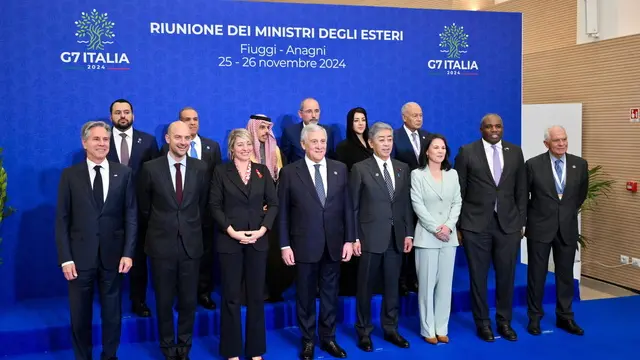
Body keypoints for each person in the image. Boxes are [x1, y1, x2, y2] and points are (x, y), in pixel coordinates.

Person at [55, 120, 136, 360]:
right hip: (79, 259)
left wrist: (128, 252)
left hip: (113, 256)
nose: (102, 144)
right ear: (84, 142)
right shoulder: (70, 175)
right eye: (96, 139)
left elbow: (131, 215)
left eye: (105, 139)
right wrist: (65, 259)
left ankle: (110, 356)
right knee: (80, 314)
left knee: (112, 313)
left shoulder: (124, 173)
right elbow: (62, 219)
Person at [278, 123, 355, 360]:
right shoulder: (290, 172)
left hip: (333, 244)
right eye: (314, 142)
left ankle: (328, 338)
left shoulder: (340, 169)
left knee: (331, 295)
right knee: (305, 296)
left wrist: (350, 239)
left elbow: (348, 208)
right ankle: (308, 340)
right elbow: (283, 213)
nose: (320, 146)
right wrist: (284, 244)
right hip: (303, 245)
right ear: (303, 145)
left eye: (323, 141)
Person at [138, 121, 209, 360]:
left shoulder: (201, 168)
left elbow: (202, 204)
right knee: (164, 300)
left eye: (187, 138)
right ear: (167, 139)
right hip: (160, 245)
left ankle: (184, 346)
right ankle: (168, 347)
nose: (183, 142)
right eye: (178, 137)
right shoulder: (150, 168)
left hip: (191, 244)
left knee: (189, 301)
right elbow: (144, 207)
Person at [454, 113, 527, 342]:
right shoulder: (467, 152)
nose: (494, 130)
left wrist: (520, 221)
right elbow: (459, 191)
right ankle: (483, 323)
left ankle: (504, 322)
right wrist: (459, 225)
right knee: (478, 277)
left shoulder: (515, 152)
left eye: (498, 126)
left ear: (502, 128)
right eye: (489, 126)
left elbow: (522, 191)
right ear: (481, 129)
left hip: (508, 225)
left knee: (507, 276)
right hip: (476, 225)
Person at [209, 128, 278, 360]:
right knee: (231, 297)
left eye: (248, 144)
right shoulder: (221, 172)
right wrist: (231, 231)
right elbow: (214, 206)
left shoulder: (262, 171)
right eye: (240, 144)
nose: (245, 148)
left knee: (256, 297)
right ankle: (231, 351)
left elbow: (274, 204)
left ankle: (255, 350)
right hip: (230, 241)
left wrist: (262, 229)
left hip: (258, 241)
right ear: (231, 148)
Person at [351, 122, 414, 352]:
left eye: (389, 139)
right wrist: (354, 237)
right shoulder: (360, 169)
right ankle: (364, 331)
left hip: (396, 237)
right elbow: (353, 207)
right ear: (371, 143)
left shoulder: (402, 168)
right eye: (381, 139)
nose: (387, 143)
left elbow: (405, 204)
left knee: (392, 287)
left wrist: (408, 232)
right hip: (369, 237)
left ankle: (390, 328)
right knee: (365, 287)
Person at [525, 125, 588, 336]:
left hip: (567, 228)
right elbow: (524, 197)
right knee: (537, 275)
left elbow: (580, 195)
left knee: (565, 276)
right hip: (540, 228)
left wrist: (565, 213)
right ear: (546, 144)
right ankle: (534, 318)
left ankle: (565, 317)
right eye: (556, 141)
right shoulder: (533, 165)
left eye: (564, 139)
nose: (561, 144)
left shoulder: (579, 164)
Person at [161, 107, 222, 310]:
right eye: (188, 119)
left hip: (205, 214)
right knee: (180, 259)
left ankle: (204, 293)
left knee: (205, 256)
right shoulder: (166, 149)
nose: (193, 122)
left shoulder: (211, 147)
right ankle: (183, 296)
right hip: (178, 217)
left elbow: (217, 181)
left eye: (196, 119)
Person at [106, 98, 159, 318]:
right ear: (111, 117)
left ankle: (139, 300)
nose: (123, 116)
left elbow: (157, 176)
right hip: (109, 212)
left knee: (137, 259)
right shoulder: (102, 140)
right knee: (109, 258)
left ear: (133, 115)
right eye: (118, 113)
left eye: (126, 112)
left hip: (141, 211)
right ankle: (111, 301)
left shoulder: (147, 141)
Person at [410, 134, 462, 344]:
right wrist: (435, 228)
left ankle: (442, 327)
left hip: (448, 237)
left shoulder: (453, 174)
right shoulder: (417, 174)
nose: (440, 151)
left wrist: (448, 227)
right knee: (427, 285)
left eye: (443, 148)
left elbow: (457, 202)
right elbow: (417, 204)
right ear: (427, 151)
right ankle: (427, 329)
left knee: (445, 286)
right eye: (436, 147)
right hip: (427, 237)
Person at [246, 114, 292, 303]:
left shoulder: (276, 152)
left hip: (273, 210)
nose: (266, 132)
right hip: (251, 212)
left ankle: (274, 290)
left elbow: (282, 180)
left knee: (273, 254)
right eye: (261, 127)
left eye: (268, 128)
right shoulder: (245, 151)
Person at [392, 102, 430, 295]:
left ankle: (415, 278)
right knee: (403, 240)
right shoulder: (395, 138)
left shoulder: (428, 138)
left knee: (419, 242)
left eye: (420, 115)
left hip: (424, 199)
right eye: (414, 115)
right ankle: (401, 280)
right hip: (402, 196)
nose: (418, 118)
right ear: (404, 117)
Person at [335, 107, 373, 296]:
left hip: (373, 200)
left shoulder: (372, 144)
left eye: (363, 119)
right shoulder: (343, 147)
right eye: (356, 120)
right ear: (350, 123)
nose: (360, 123)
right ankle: (350, 286)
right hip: (354, 198)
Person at [280, 97, 336, 163]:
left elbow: (330, 158)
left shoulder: (327, 131)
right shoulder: (290, 132)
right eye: (309, 111)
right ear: (300, 114)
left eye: (316, 111)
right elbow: (285, 160)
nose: (314, 115)